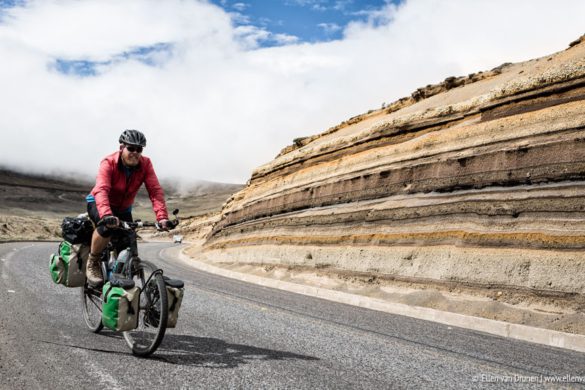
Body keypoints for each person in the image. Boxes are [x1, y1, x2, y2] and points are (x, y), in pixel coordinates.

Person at [85, 129, 172, 286]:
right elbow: (101, 189)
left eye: (139, 149)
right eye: (131, 148)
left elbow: (155, 191)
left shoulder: (146, 164)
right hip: (99, 202)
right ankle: (93, 262)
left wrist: (162, 217)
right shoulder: (108, 162)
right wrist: (105, 215)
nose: (135, 153)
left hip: (124, 209)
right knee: (107, 227)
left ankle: (120, 282)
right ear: (121, 148)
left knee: (128, 244)